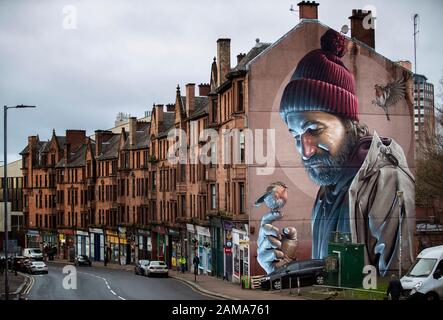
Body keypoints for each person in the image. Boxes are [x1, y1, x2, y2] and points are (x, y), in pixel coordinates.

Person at [258, 28, 415, 276]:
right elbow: (332, 280)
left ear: (348, 123)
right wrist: (284, 270)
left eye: (314, 129)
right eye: (296, 136)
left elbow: (399, 286)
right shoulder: (330, 188)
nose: (305, 150)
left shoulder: (386, 180)